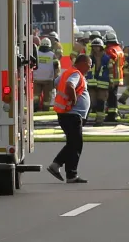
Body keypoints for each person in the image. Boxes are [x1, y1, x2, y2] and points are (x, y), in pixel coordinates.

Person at [46, 54, 91, 184]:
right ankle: (71, 175)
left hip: (66, 114)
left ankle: (56, 165)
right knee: (76, 144)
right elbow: (70, 85)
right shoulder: (76, 74)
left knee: (73, 143)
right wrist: (73, 98)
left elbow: (56, 83)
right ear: (82, 63)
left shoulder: (68, 72)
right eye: (89, 65)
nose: (90, 68)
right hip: (72, 114)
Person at [88, 38, 110, 125]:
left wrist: (111, 80)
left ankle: (99, 120)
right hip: (92, 81)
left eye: (97, 46)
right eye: (94, 47)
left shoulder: (107, 58)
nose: (95, 48)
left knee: (101, 101)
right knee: (91, 102)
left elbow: (111, 70)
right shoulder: (89, 58)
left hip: (103, 82)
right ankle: (84, 119)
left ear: (101, 47)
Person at [33, 38, 60, 111]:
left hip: (36, 79)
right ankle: (45, 109)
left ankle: (35, 109)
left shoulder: (36, 53)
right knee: (47, 98)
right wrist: (56, 77)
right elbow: (57, 67)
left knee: (36, 96)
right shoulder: (52, 55)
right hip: (48, 79)